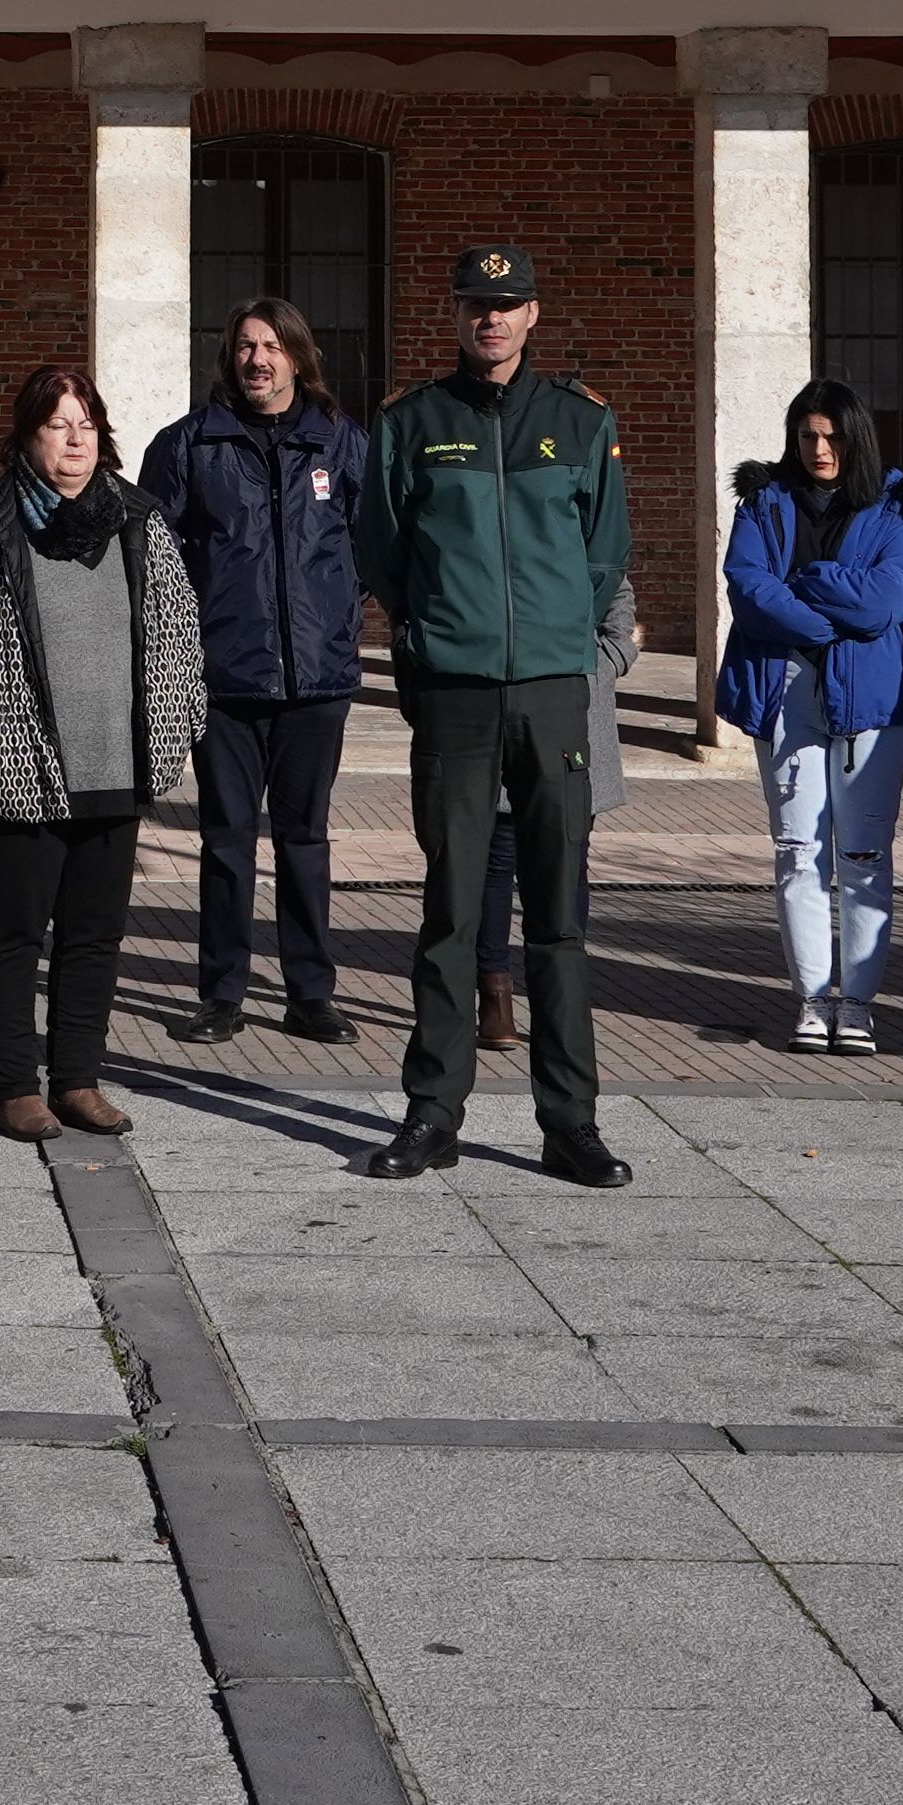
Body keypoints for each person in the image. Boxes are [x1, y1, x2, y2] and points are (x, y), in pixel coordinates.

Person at [363, 241, 633, 1188]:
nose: (492, 317)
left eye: (508, 303)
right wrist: (436, 639)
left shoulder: (581, 421)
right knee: (448, 911)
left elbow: (605, 555)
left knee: (558, 919)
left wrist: (565, 645)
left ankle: (572, 1124)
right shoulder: (411, 421)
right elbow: (385, 553)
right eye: (477, 302)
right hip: (457, 697)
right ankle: (433, 1112)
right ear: (456, 313)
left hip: (553, 696)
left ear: (533, 315)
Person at [0, 365, 208, 1140]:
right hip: (21, 773)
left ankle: (78, 1078)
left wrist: (176, 726)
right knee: (14, 931)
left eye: (86, 423)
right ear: (26, 437)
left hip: (117, 763)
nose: (75, 439)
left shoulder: (139, 522)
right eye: (57, 424)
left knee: (94, 935)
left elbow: (180, 629)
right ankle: (16, 1086)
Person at [143, 298, 373, 1046]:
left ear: (299, 358)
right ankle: (222, 995)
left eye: (272, 346)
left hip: (317, 682)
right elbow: (155, 556)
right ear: (228, 357)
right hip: (226, 682)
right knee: (225, 842)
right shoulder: (187, 446)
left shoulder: (339, 443)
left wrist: (336, 613)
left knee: (305, 842)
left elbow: (372, 545)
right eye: (245, 346)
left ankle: (310, 994)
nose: (257, 360)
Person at [720, 375, 903, 1053]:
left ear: (856, 436)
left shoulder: (900, 505)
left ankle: (859, 1004)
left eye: (833, 436)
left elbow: (885, 603)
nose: (819, 449)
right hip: (785, 688)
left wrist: (809, 581)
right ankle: (812, 999)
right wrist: (827, 621)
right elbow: (748, 591)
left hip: (871, 699)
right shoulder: (764, 500)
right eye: (808, 435)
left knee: (864, 853)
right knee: (797, 850)